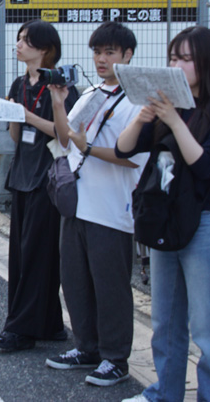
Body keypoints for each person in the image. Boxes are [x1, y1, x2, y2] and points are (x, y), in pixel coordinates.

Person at [117, 26, 210, 402]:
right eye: (173, 57)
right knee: (166, 322)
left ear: (205, 63)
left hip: (205, 224)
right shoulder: (166, 107)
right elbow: (124, 150)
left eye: (185, 58)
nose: (176, 64)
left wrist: (172, 120)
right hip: (164, 221)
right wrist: (143, 117)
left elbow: (206, 167)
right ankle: (163, 394)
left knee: (209, 326)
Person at [45, 21, 147, 387]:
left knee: (111, 286)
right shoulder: (89, 94)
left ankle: (116, 357)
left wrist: (88, 147)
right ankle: (86, 347)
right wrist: (59, 102)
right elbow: (64, 136)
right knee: (75, 281)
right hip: (78, 204)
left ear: (128, 55)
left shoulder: (138, 101)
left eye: (109, 52)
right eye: (97, 52)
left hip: (112, 208)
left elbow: (133, 157)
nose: (101, 59)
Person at [0, 20, 78, 352]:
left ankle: (21, 330)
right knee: (22, 256)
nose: (19, 44)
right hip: (23, 175)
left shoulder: (62, 84)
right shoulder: (19, 82)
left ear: (45, 48)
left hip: (49, 179)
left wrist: (28, 116)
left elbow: (65, 133)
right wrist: (10, 113)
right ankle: (50, 324)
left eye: (26, 40)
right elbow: (16, 136)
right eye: (18, 39)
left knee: (38, 256)